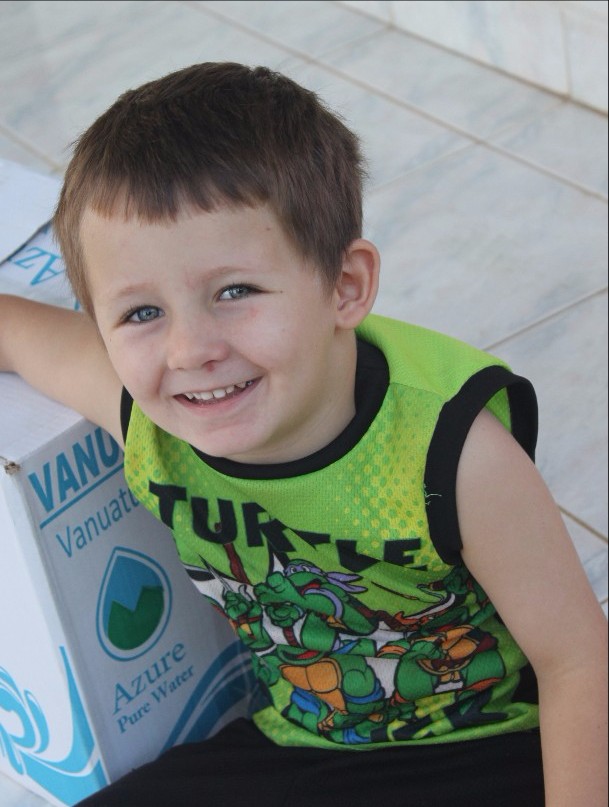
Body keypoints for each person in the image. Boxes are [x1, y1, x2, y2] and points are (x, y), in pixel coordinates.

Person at [0, 62, 606, 807]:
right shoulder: (149, 410)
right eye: (141, 313)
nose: (189, 350)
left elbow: (577, 662)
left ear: (344, 286)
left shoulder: (451, 452)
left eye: (235, 292)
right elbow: (16, 331)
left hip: (489, 748)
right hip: (303, 747)